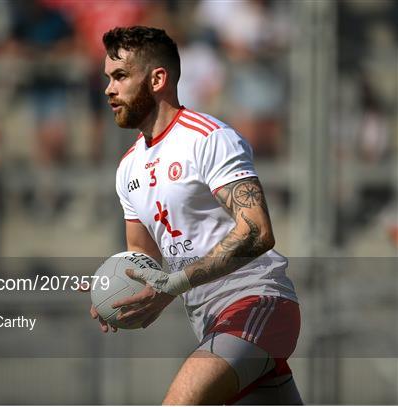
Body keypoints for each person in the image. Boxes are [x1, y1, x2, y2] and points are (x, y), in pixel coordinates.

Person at [89, 26, 302, 404]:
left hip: (257, 303)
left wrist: (175, 283)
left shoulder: (209, 137)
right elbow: (143, 260)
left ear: (157, 79)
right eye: (108, 77)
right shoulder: (127, 168)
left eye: (120, 76)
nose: (109, 88)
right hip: (210, 322)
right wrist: (120, 296)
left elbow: (257, 232)